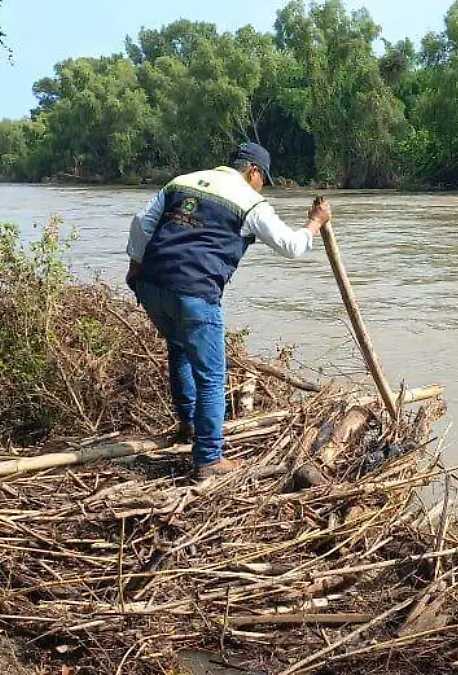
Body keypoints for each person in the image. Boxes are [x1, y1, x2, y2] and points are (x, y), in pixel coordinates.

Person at [125, 142, 332, 478]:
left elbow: (142, 225)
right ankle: (208, 458)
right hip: (194, 293)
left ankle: (188, 425)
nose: (263, 185)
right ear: (253, 171)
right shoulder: (251, 202)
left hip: (151, 286)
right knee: (211, 377)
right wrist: (314, 223)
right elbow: (291, 247)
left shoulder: (182, 182)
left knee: (178, 349)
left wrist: (135, 269)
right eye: (264, 178)